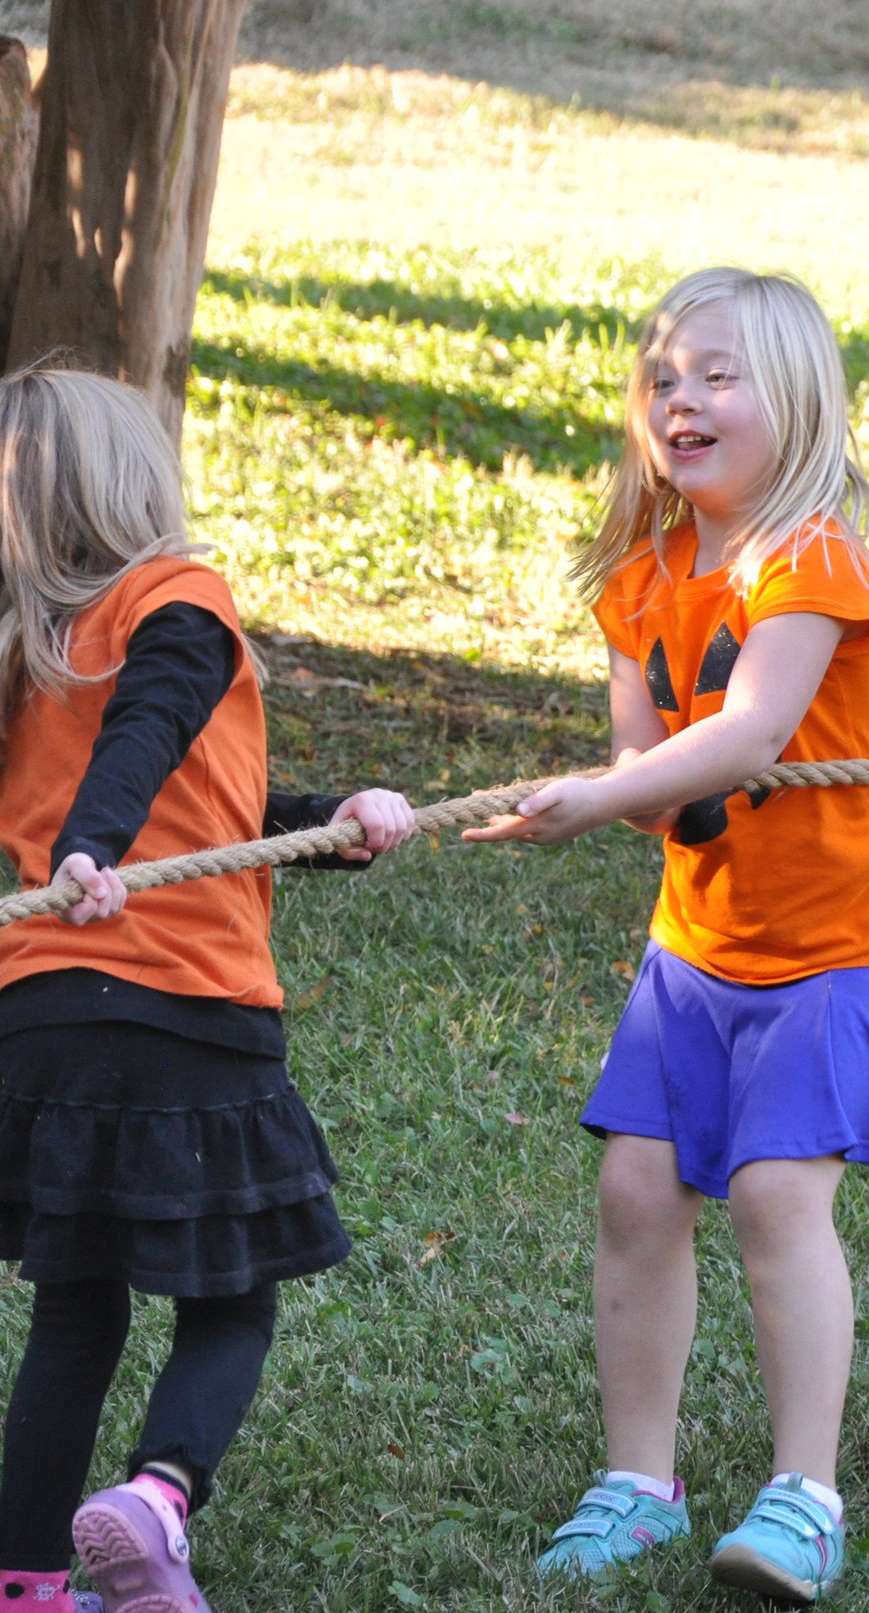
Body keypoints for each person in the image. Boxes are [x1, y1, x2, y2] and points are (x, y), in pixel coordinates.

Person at [471, 269, 869, 1605]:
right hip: (702, 947)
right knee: (637, 1193)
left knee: (774, 1194)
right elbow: (658, 768)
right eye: (663, 378)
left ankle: (806, 1496)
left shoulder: (811, 562)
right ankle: (639, 1483)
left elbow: (745, 731)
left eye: (718, 376)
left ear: (792, 405)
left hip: (847, 946)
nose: (682, 399)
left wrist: (603, 797)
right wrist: (619, 800)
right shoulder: (639, 581)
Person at [0, 368, 416, 1613]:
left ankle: (22, 1584)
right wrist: (96, 845)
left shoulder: (27, 646)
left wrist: (327, 825)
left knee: (75, 1316)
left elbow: (209, 814)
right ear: (136, 482)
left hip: (43, 1028)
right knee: (232, 1298)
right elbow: (154, 727)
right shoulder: (177, 600)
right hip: (187, 1013)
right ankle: (157, 1498)